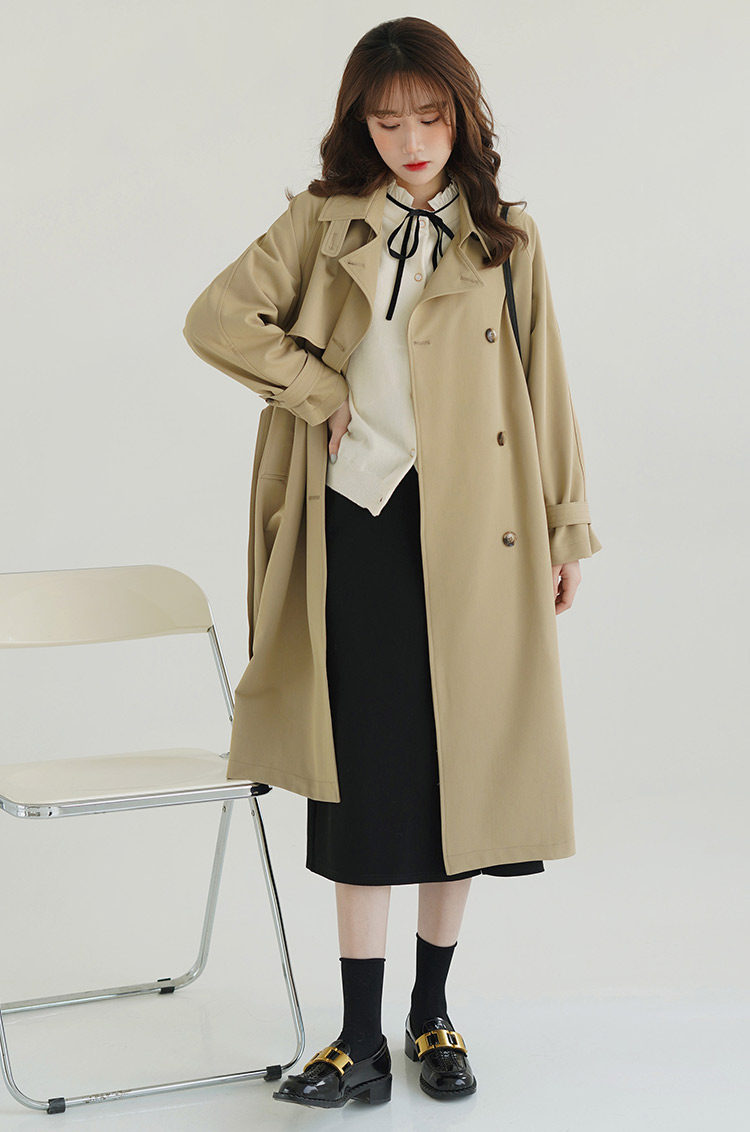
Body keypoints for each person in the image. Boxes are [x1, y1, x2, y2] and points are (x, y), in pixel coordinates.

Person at [183, 16, 602, 1110]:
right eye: (387, 121)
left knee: (466, 772)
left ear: (462, 116)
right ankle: (359, 1038)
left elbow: (545, 385)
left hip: (483, 534)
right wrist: (317, 388)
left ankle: (432, 1014)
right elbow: (218, 319)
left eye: (430, 117)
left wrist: (565, 526)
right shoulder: (322, 221)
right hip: (357, 522)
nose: (411, 141)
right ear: (358, 125)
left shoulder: (505, 235)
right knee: (363, 776)